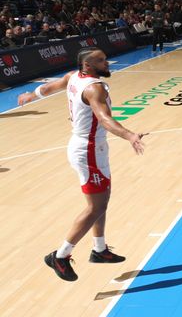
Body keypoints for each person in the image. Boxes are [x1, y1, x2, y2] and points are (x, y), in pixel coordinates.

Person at [17, 47, 146, 281]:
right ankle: (60, 255)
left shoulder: (73, 76)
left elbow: (47, 88)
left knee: (102, 200)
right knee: (95, 206)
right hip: (88, 150)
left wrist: (30, 96)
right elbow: (104, 119)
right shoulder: (95, 87)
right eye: (101, 60)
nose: (107, 63)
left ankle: (99, 249)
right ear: (87, 65)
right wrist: (129, 135)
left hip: (91, 147)